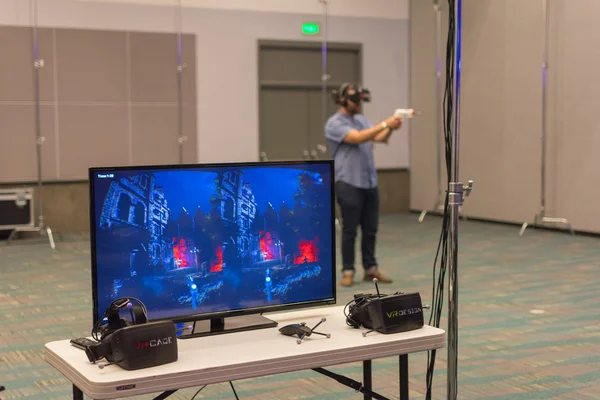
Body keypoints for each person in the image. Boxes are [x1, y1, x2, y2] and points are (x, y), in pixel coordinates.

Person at [325, 83, 402, 287]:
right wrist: (385, 123)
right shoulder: (334, 123)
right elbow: (358, 138)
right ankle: (347, 270)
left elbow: (377, 137)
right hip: (348, 182)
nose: (358, 104)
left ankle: (370, 269)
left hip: (369, 182)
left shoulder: (361, 120)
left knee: (370, 229)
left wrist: (392, 128)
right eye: (355, 100)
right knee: (350, 230)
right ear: (342, 100)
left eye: (360, 100)